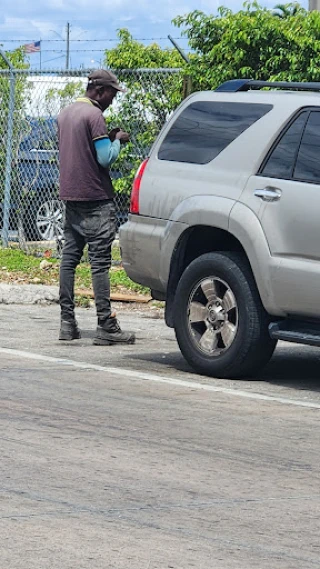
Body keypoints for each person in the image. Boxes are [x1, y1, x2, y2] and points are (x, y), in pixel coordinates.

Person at [57, 69, 135, 345]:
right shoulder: (94, 116)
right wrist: (118, 141)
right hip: (96, 199)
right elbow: (104, 159)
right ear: (100, 91)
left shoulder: (66, 113)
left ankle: (67, 323)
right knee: (99, 263)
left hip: (71, 197)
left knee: (69, 260)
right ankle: (106, 324)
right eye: (112, 94)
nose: (113, 99)